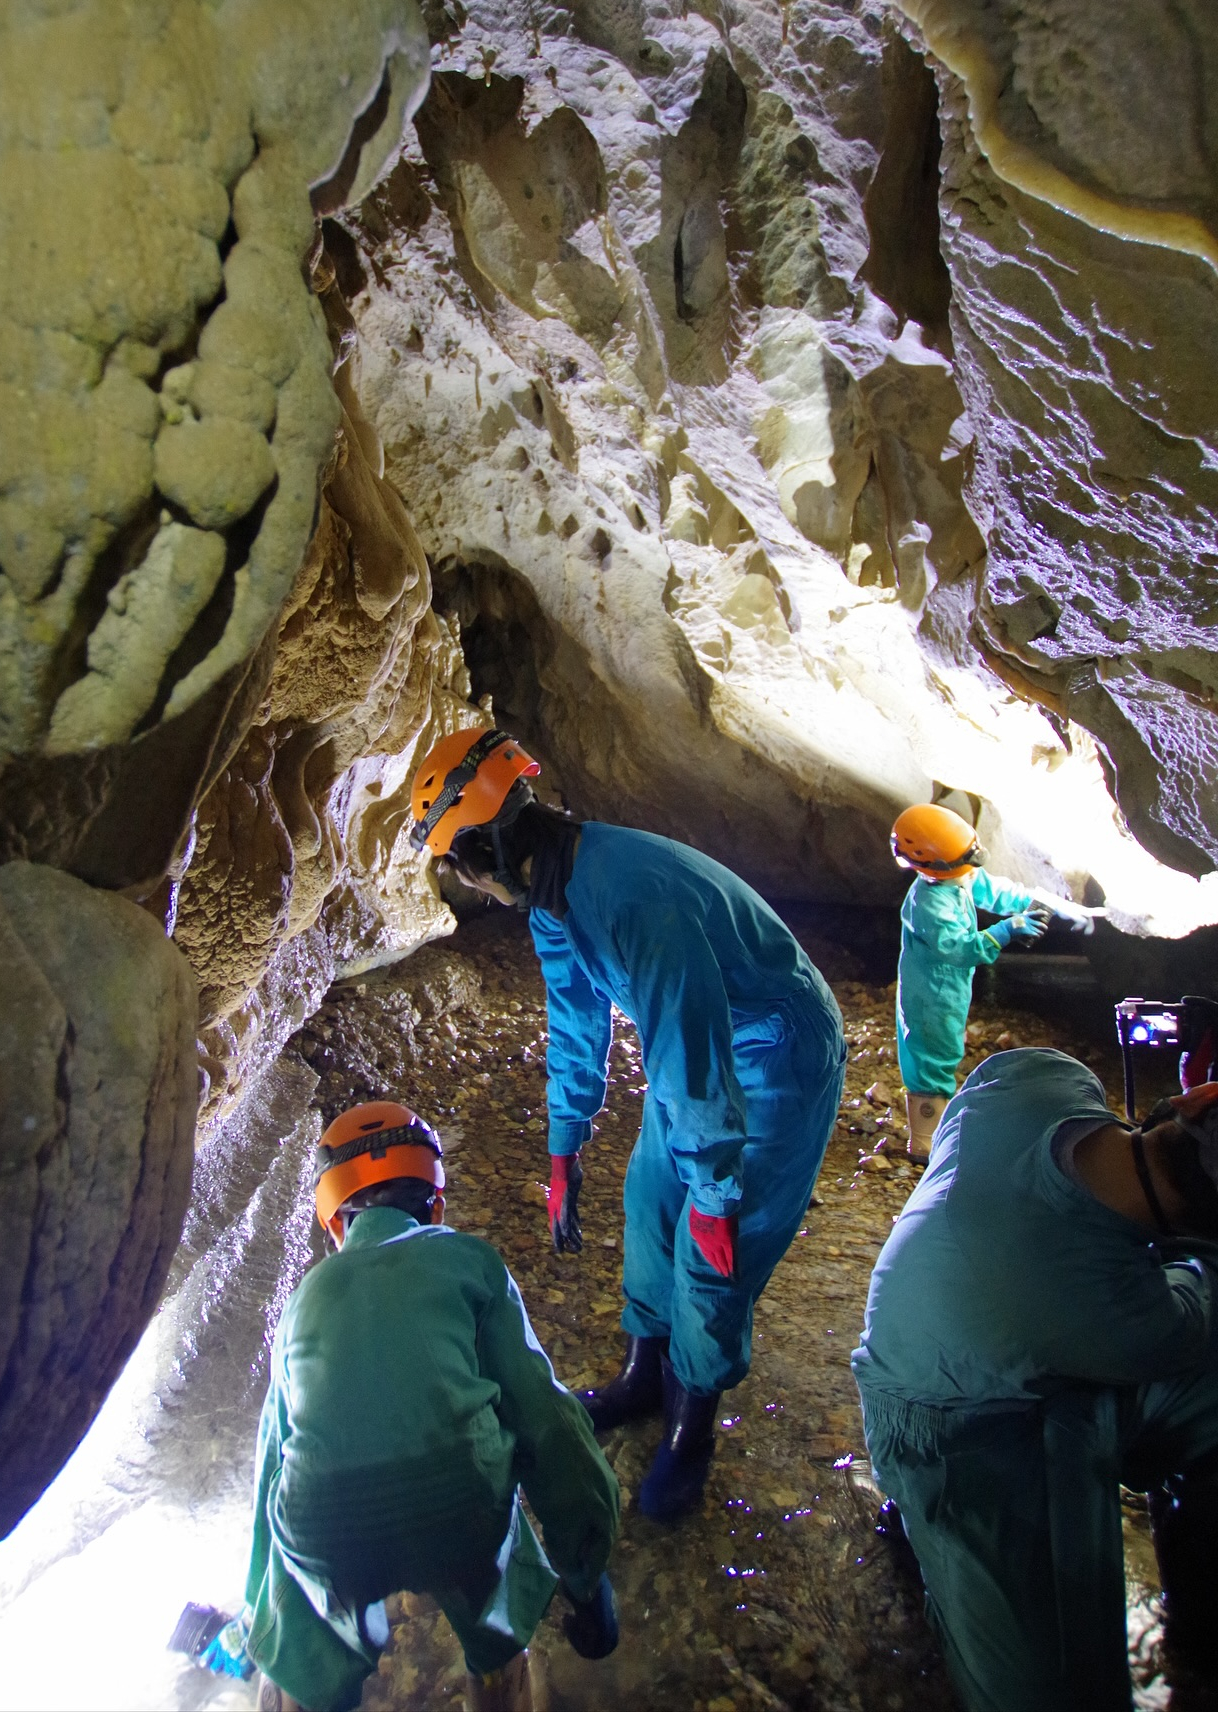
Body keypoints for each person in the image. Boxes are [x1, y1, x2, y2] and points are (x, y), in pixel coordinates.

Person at [409, 728, 848, 1522]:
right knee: (649, 1203)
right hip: (698, 1045)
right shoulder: (552, 886)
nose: (466, 882)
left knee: (716, 1251)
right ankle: (646, 1374)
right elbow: (576, 1023)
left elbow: (690, 1053)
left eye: (460, 865)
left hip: (774, 1047)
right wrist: (563, 1148)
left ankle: (693, 1428)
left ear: (488, 846)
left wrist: (716, 1194)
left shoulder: (634, 902)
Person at [201, 1099, 621, 1712]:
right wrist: (586, 1578)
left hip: (326, 1523)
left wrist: (256, 1624)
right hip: (460, 1508)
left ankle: (294, 1679)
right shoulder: (471, 1262)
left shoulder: (301, 1300)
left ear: (334, 1226)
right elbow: (549, 1425)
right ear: (437, 1206)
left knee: (305, 1629)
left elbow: (273, 1468)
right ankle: (496, 1670)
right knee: (497, 1602)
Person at [852, 1037, 1218, 1712]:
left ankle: (914, 1518)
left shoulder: (1042, 1076)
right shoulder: (1129, 1319)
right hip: (953, 1435)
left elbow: (972, 1115)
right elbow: (1194, 1307)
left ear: (1193, 1097)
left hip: (909, 1356)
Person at [889, 802, 1091, 1162]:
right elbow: (959, 950)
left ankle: (937, 1127)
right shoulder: (929, 902)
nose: (973, 867)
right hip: (931, 991)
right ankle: (924, 1140)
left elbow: (987, 887)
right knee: (930, 1052)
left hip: (948, 985)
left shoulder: (953, 873)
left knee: (947, 1046)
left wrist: (1031, 900)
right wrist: (1005, 930)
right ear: (932, 863)